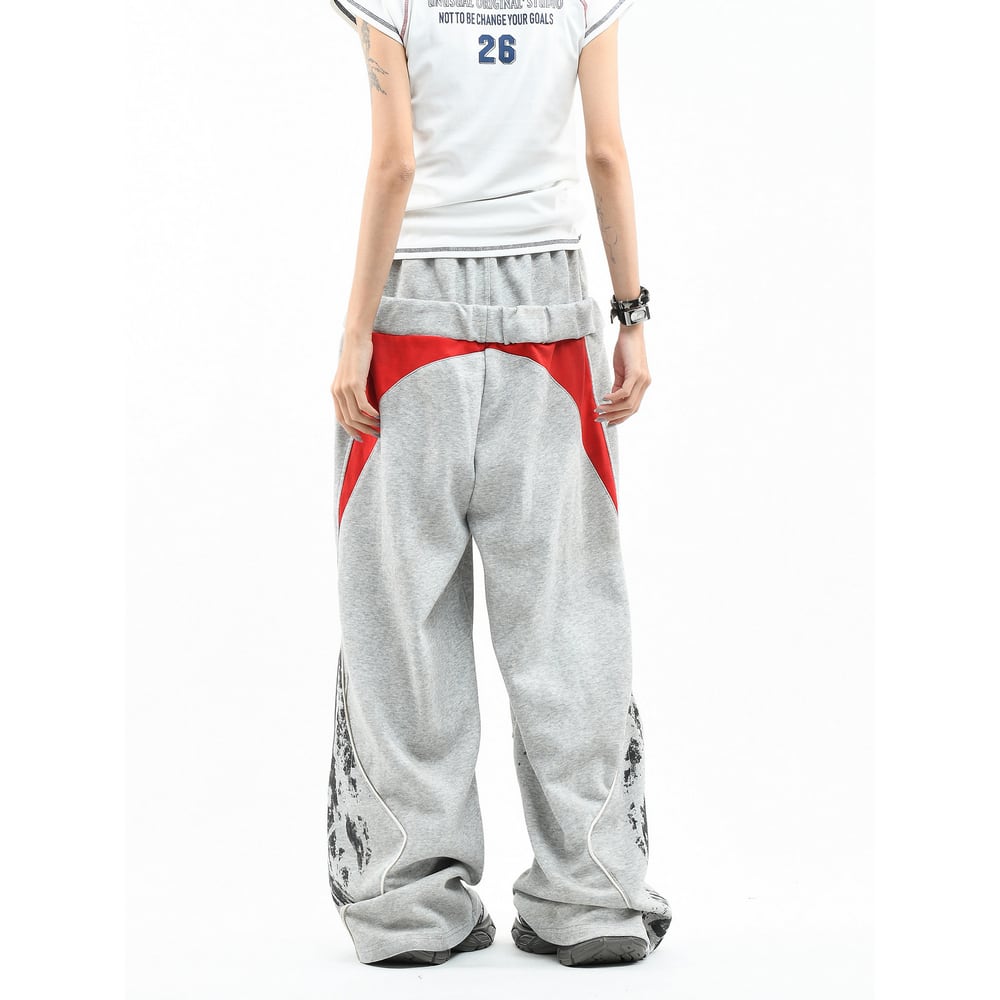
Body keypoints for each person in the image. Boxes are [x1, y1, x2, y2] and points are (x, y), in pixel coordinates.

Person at [325, 0, 672, 968]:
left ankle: (406, 907)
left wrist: (354, 334)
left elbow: (395, 162)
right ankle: (593, 896)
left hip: (412, 319)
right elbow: (604, 152)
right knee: (568, 617)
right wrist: (632, 316)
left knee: (399, 617)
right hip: (550, 323)